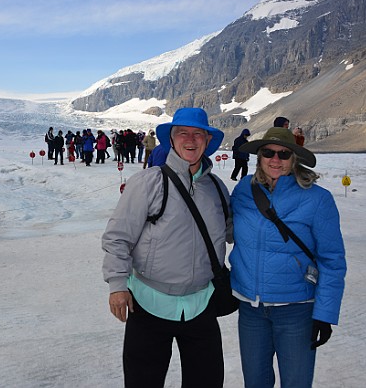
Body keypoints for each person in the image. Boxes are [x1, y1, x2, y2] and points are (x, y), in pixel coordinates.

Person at [102, 107, 232, 387]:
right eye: (182, 132)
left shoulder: (218, 189)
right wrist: (117, 285)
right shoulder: (149, 183)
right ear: (171, 140)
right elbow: (118, 237)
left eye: (198, 134)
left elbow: (241, 234)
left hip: (201, 305)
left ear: (208, 141)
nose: (191, 139)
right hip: (149, 305)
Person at [229, 127, 346, 388]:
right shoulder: (244, 192)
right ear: (259, 157)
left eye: (284, 154)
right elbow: (220, 227)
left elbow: (332, 259)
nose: (275, 159)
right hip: (251, 310)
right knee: (255, 383)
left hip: (297, 311)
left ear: (294, 158)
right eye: (268, 152)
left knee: (296, 383)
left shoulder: (318, 199)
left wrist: (325, 313)